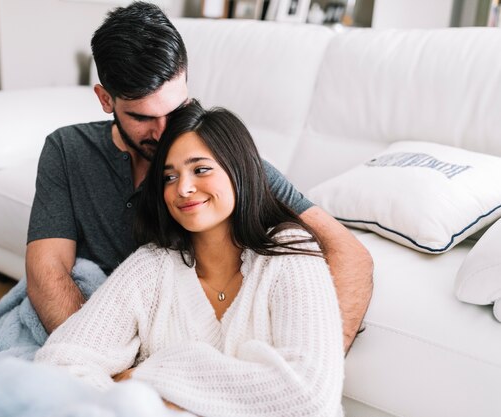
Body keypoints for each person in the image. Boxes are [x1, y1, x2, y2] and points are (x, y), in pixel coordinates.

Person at [25, 1, 373, 351]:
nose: (164, 133)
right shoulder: (66, 149)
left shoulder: (218, 159)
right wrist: (94, 357)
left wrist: (323, 360)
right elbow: (47, 270)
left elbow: (349, 253)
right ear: (105, 99)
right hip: (104, 329)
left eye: (176, 109)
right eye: (143, 118)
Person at [35, 100, 344, 416]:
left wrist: (147, 377)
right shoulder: (151, 266)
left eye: (201, 169)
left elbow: (309, 398)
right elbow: (60, 363)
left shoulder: (288, 252)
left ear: (239, 170)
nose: (183, 188)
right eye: (169, 177)